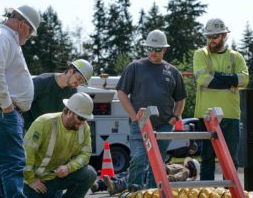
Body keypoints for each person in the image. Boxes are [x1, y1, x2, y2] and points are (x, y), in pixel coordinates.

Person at [0, 5, 41, 197]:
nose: (28, 37)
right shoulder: (2, 37)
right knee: (13, 164)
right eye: (30, 31)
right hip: (1, 110)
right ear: (21, 24)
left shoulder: (3, 38)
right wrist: (8, 106)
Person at [116, 29, 187, 190]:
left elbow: (181, 98)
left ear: (164, 49)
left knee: (158, 162)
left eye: (157, 49)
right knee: (138, 158)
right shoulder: (135, 67)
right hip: (140, 123)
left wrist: (175, 118)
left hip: (164, 124)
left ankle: (153, 192)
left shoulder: (173, 72)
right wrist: (135, 117)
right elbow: (121, 93)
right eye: (150, 48)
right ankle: (135, 192)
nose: (153, 53)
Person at [193, 18, 249, 180]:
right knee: (207, 158)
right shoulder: (200, 54)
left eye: (215, 36)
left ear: (224, 35)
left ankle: (229, 192)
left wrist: (216, 75)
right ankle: (206, 193)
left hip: (230, 114)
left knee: (231, 159)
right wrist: (231, 80)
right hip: (207, 115)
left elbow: (244, 80)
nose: (211, 40)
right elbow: (203, 79)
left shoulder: (236, 57)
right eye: (209, 37)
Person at [23, 92, 97, 198]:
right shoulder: (44, 123)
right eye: (80, 118)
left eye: (85, 119)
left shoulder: (83, 128)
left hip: (58, 177)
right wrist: (30, 180)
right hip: (38, 181)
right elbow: (27, 153)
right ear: (69, 112)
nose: (82, 123)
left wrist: (68, 168)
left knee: (90, 174)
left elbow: (85, 154)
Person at [23, 59, 93, 131]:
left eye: (82, 82)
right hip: (28, 130)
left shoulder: (72, 92)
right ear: (70, 71)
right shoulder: (42, 82)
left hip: (49, 134)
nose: (78, 84)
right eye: (79, 78)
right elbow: (22, 105)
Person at [91, 158, 200, 195]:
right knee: (128, 174)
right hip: (157, 170)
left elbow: (176, 178)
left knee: (131, 176)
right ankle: (100, 185)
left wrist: (162, 176)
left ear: (190, 166)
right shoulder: (183, 169)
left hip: (158, 172)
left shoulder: (185, 171)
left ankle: (113, 186)